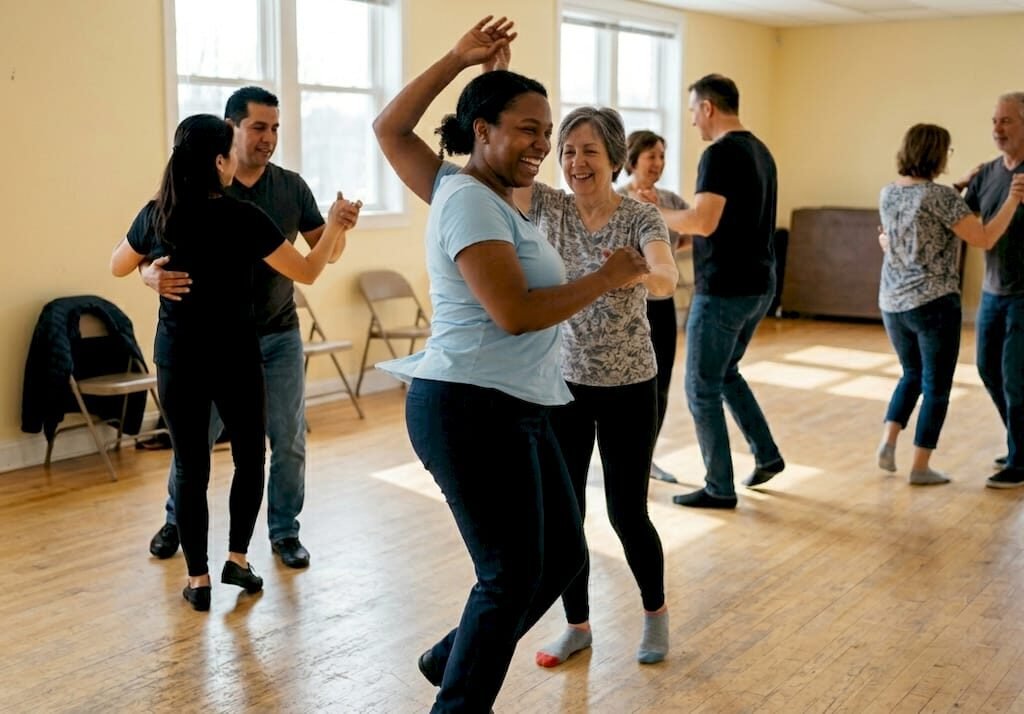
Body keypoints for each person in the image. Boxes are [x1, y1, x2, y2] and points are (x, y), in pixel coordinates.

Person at [372, 17, 650, 713]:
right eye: (527, 128)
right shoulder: (464, 198)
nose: (542, 145)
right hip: (468, 406)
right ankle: (459, 700)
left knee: (559, 558)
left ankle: (450, 657)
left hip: (518, 403)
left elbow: (391, 135)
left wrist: (477, 67)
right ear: (483, 131)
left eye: (545, 130)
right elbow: (516, 312)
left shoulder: (489, 197)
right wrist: (607, 275)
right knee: (509, 574)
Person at [110, 114, 355, 610]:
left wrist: (148, 275)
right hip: (236, 355)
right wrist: (332, 227)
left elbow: (118, 263)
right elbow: (308, 271)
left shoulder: (157, 213)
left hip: (177, 357)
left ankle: (197, 580)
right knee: (249, 457)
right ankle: (237, 561)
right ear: (221, 161)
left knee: (190, 462)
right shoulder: (242, 216)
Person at [514, 109, 676, 669]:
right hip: (562, 384)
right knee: (566, 516)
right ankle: (577, 626)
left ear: (613, 159)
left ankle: (655, 614)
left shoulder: (638, 216)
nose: (576, 163)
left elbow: (666, 276)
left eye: (588, 152)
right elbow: (492, 167)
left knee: (627, 512)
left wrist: (638, 274)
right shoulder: (548, 206)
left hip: (630, 383)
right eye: (568, 151)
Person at [653, 74, 784, 509]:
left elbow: (703, 222)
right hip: (759, 286)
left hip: (725, 291)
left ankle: (719, 487)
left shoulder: (720, 154)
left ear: (708, 108)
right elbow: (727, 224)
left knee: (701, 387)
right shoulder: (761, 152)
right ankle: (766, 454)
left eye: (693, 111)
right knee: (725, 374)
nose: (692, 121)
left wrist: (653, 211)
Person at [877, 123, 1024, 485]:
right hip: (933, 305)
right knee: (937, 387)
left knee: (911, 375)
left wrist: (957, 187)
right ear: (937, 154)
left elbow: (920, 212)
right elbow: (986, 238)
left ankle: (888, 442)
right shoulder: (940, 197)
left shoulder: (889, 193)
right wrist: (1013, 200)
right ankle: (920, 467)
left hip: (893, 303)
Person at [619, 130, 691, 484]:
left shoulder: (671, 200)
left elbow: (690, 233)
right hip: (626, 308)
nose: (658, 164)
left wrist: (665, 259)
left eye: (662, 156)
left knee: (659, 385)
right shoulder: (615, 199)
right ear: (632, 160)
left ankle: (646, 458)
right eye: (652, 157)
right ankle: (621, 456)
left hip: (661, 305)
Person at [963, 93, 1024, 489]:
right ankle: (1021, 444)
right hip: (993, 289)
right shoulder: (986, 173)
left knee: (1015, 377)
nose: (997, 129)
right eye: (994, 121)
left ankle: (1020, 460)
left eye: (1006, 121)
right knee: (988, 369)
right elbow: (961, 216)